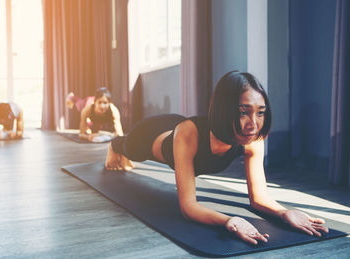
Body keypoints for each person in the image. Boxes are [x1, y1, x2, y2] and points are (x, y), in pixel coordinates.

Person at [104, 71, 329, 245]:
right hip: (150, 135)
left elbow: (258, 198)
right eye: (243, 112)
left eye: (260, 112)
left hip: (178, 127)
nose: (253, 123)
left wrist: (284, 212)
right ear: (225, 109)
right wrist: (228, 221)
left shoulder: (253, 138)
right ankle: (115, 145)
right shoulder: (189, 133)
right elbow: (188, 207)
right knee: (129, 148)